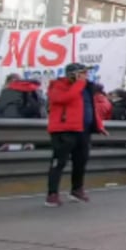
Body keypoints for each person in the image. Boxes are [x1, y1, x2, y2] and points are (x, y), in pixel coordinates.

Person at [45, 63, 107, 207]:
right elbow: (63, 99)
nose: (86, 76)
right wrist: (78, 84)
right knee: (59, 162)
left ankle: (77, 189)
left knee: (81, 161)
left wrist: (99, 125)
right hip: (64, 129)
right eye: (83, 73)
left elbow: (90, 107)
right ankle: (52, 193)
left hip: (83, 130)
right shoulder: (58, 86)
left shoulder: (87, 88)